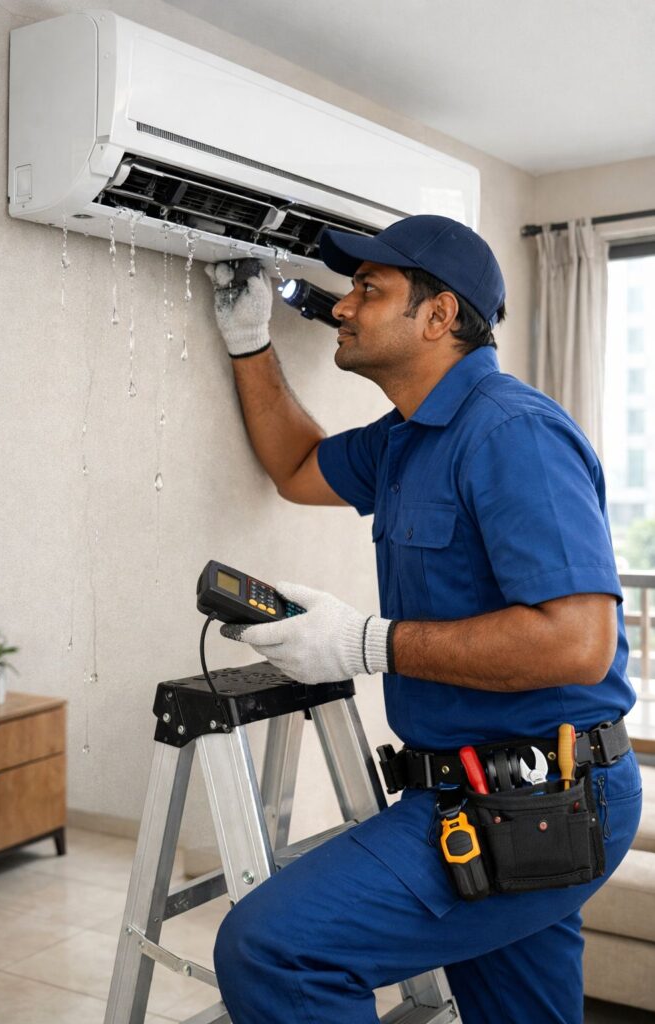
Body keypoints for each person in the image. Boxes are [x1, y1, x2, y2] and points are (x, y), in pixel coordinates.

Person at [203, 216, 642, 1024]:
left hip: (544, 795)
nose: (341, 307)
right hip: (484, 787)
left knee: (275, 948)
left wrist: (364, 643)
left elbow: (580, 643)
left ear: (439, 317)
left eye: (369, 291)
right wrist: (246, 340)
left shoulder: (512, 432)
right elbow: (297, 468)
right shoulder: (408, 440)